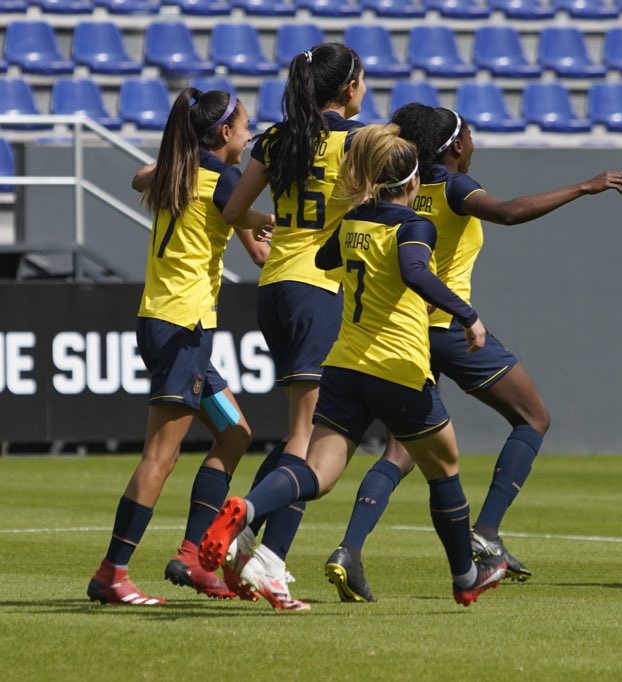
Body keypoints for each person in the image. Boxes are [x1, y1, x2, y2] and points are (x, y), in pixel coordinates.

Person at [324, 104, 622, 603]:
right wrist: (582, 187)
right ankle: (486, 533)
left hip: (408, 334)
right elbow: (509, 212)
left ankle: (350, 550)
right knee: (533, 417)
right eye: (469, 135)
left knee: (400, 452)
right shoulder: (451, 186)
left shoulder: (401, 186)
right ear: (454, 146)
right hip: (450, 330)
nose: (474, 143)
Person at [199, 123, 508, 607]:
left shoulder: (353, 222)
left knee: (317, 474)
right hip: (399, 366)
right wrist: (467, 315)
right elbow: (413, 270)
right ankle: (466, 576)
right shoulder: (414, 225)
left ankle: (246, 508)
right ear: (409, 183)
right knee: (444, 465)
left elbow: (324, 260)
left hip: (344, 366)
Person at [87, 89, 275, 605]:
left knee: (235, 433)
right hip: (183, 328)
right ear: (222, 136)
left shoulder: (180, 172)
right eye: (244, 129)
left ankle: (193, 556)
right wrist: (276, 221)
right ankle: (112, 573)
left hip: (165, 323)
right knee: (161, 456)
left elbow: (140, 178)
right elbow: (249, 223)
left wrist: (252, 224)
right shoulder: (226, 180)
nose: (249, 136)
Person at [220, 43, 365, 610]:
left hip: (275, 289)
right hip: (320, 292)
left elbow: (232, 211)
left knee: (297, 433)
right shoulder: (357, 141)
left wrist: (265, 232)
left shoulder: (277, 138)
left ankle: (249, 538)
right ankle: (265, 556)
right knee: (314, 438)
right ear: (348, 86)